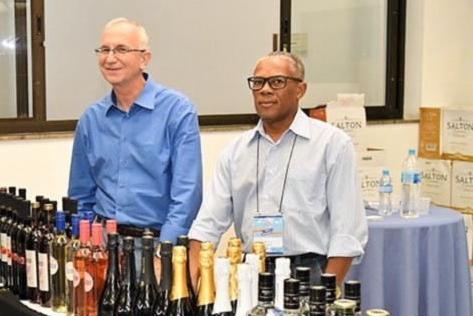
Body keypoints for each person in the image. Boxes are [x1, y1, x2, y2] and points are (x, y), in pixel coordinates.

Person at [188, 51, 367, 286]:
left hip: (309, 272)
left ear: (300, 90)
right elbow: (208, 223)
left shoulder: (332, 144)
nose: (265, 90)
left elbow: (347, 232)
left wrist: (326, 292)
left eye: (277, 81)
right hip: (249, 272)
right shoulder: (236, 151)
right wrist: (190, 283)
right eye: (258, 82)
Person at [67, 17, 202, 258]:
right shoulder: (91, 119)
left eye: (121, 49)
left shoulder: (177, 111)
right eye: (104, 50)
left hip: (156, 245)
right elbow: (81, 196)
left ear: (144, 58)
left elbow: (187, 194)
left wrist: (165, 253)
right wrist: (84, 243)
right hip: (103, 247)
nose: (110, 58)